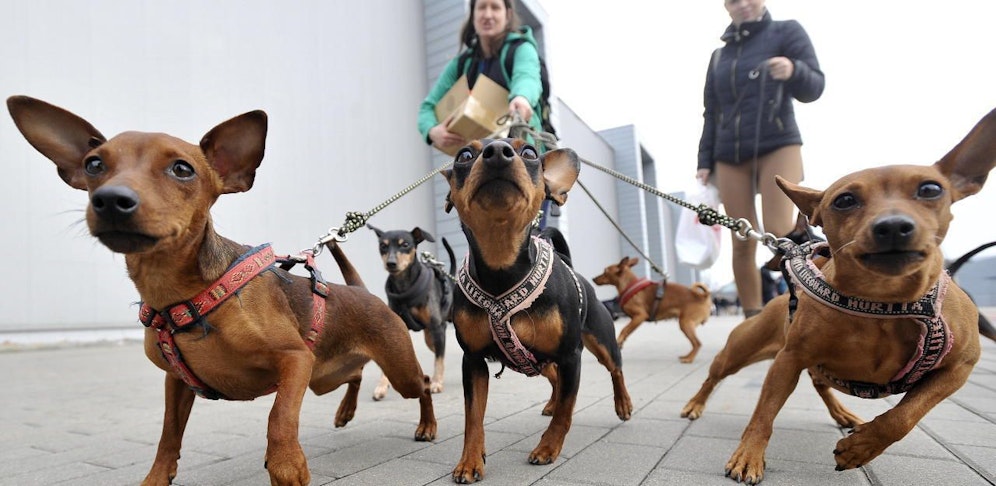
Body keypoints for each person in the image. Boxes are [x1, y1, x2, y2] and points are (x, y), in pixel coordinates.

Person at [695, 0, 824, 318]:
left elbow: (814, 87)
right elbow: (711, 113)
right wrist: (704, 160)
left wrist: (794, 70)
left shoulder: (786, 32)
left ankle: (808, 308)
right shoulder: (718, 57)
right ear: (726, 6)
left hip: (777, 142)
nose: (743, 4)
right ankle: (754, 320)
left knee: (781, 230)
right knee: (742, 236)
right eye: (733, 0)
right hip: (728, 153)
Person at [417, 0, 543, 154]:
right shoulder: (460, 65)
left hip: (521, 153)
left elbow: (526, 77)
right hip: (478, 160)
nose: (488, 15)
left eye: (495, 7)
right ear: (473, 14)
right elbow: (427, 108)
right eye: (482, 7)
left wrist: (522, 97)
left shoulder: (522, 49)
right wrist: (431, 131)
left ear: (508, 14)